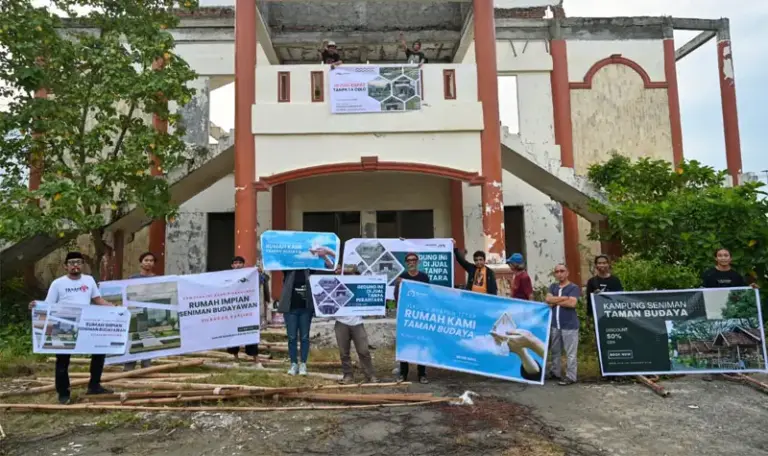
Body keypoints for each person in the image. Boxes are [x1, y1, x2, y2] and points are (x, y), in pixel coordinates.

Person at [28, 252, 115, 404]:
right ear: (65, 266)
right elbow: (49, 304)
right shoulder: (58, 283)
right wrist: (36, 306)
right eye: (72, 262)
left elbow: (97, 299)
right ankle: (63, 393)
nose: (75, 265)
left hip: (86, 325)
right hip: (64, 325)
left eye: (78, 262)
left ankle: (94, 386)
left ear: (82, 265)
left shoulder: (89, 280)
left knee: (99, 352)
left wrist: (114, 308)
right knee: (62, 360)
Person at [335, 265, 378, 384]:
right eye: (346, 274)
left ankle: (370, 375)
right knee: (344, 352)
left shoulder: (359, 285)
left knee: (364, 351)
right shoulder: (337, 284)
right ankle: (348, 375)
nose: (349, 276)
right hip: (341, 322)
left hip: (357, 323)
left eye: (351, 274)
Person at [394, 252, 430, 384]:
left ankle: (422, 374)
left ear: (417, 262)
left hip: (420, 317)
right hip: (406, 317)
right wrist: (399, 285)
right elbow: (397, 297)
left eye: (413, 260)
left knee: (421, 344)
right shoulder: (401, 278)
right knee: (405, 344)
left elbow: (428, 295)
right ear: (406, 263)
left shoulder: (424, 277)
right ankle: (403, 374)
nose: (411, 262)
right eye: (408, 260)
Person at [545, 263, 581, 385]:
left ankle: (571, 376)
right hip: (555, 325)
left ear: (567, 272)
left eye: (562, 271)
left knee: (570, 353)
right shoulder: (553, 287)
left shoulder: (573, 287)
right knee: (555, 351)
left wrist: (556, 300)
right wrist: (564, 298)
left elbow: (572, 304)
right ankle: (556, 372)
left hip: (569, 325)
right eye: (557, 271)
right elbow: (548, 300)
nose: (559, 273)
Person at [226, 256, 263, 368]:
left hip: (248, 311)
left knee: (250, 334)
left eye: (240, 263)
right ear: (232, 266)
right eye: (235, 263)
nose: (237, 265)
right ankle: (236, 360)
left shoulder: (250, 276)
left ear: (243, 265)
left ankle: (256, 361)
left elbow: (261, 281)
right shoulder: (226, 277)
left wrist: (259, 273)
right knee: (233, 335)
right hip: (233, 312)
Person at [123, 251, 158, 372]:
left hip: (147, 315)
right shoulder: (132, 279)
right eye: (146, 260)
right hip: (133, 314)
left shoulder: (158, 279)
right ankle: (129, 367)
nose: (148, 263)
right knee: (132, 339)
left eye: (151, 261)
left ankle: (146, 367)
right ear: (141, 263)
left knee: (146, 339)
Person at [278, 269, 314, 376]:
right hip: (290, 309)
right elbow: (278, 260)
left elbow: (323, 265)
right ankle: (293, 363)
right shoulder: (288, 270)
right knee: (292, 337)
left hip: (306, 309)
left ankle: (303, 363)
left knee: (304, 337)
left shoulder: (309, 270)